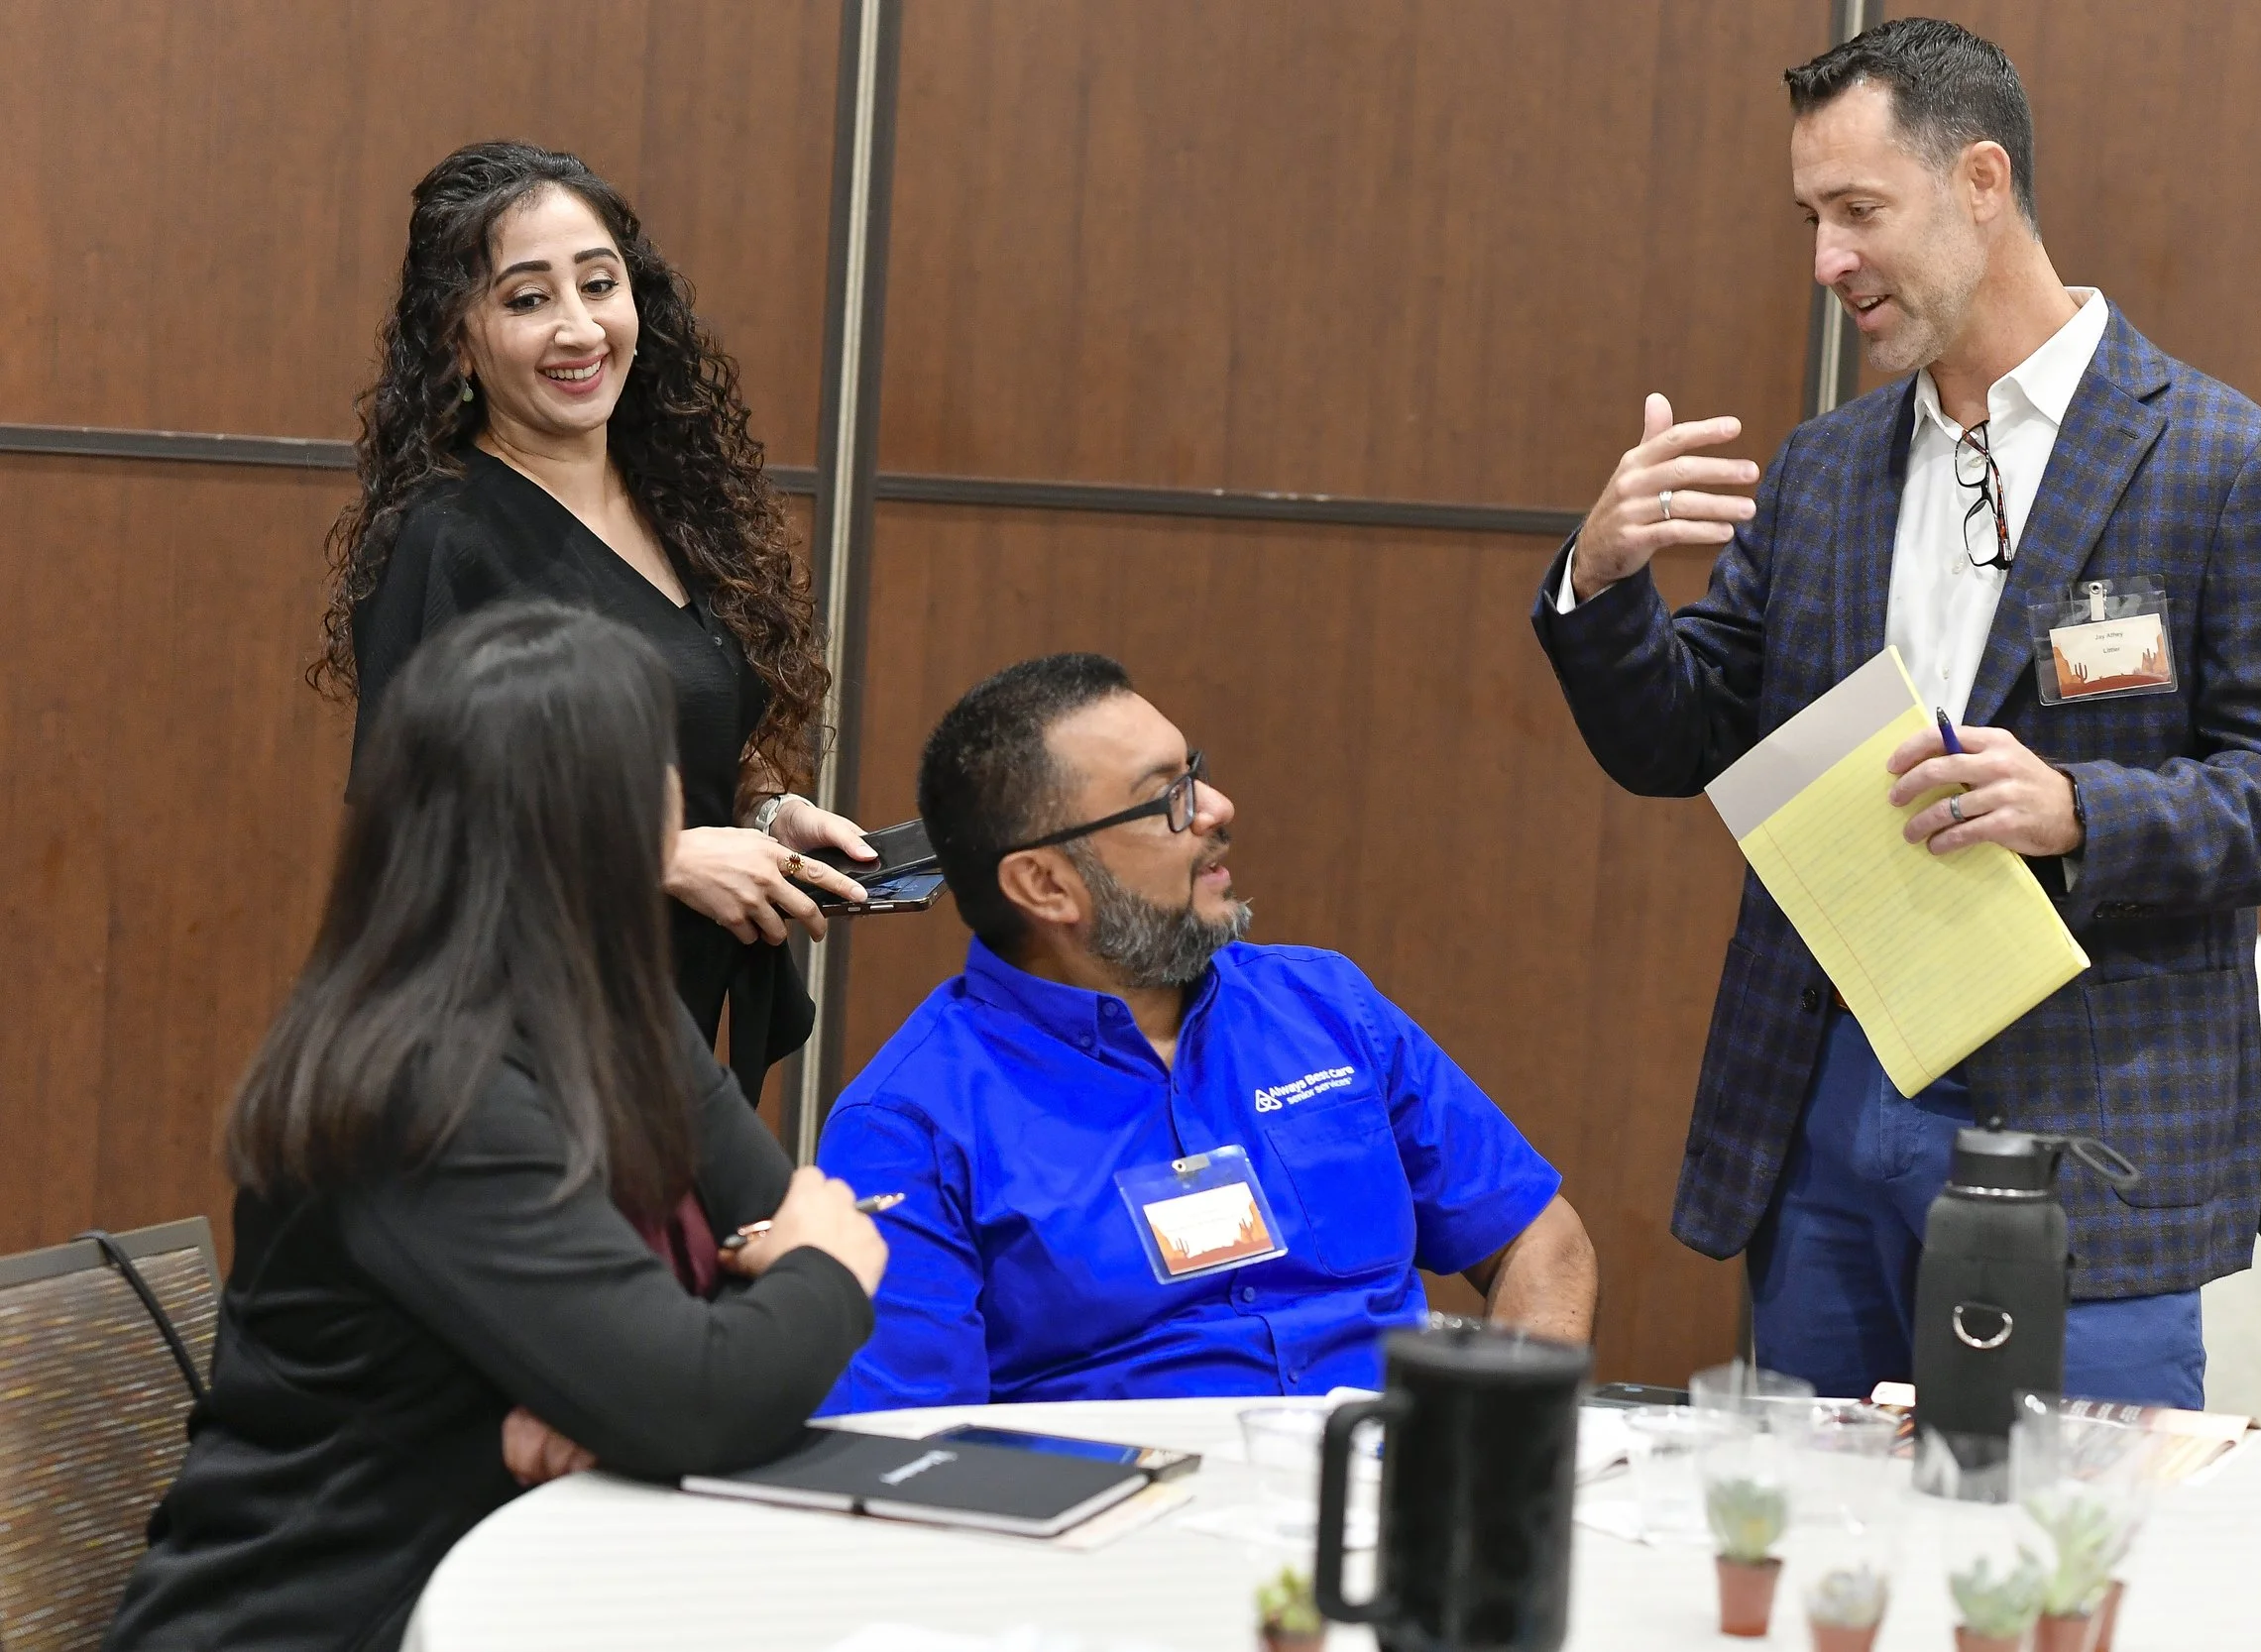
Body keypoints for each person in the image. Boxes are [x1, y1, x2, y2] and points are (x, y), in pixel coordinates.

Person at [1531, 19, 2261, 1407]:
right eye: (1810, 219)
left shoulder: (2225, 464)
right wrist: (1602, 582)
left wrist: (2078, 807)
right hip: (1825, 1115)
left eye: (1858, 211)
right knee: (1817, 1520)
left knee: (2056, 1524)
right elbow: (1682, 738)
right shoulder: (1826, 468)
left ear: (1982, 181)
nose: (1826, 260)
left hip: (2083, 1140)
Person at [106, 605, 888, 1652]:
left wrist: (625, 1398)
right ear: (600, 811)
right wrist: (820, 1268)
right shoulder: (423, 1088)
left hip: (531, 1579)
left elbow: (750, 1241)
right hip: (330, 1616)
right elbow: (712, 1381)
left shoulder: (620, 1008)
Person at [816, 655, 1597, 1409]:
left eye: (1194, 772)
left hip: (1381, 1470)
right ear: (1046, 883)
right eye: (1169, 799)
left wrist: (1497, 1444)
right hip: (1125, 1492)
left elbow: (1540, 1238)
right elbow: (908, 1444)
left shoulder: (1324, 1004)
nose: (1218, 807)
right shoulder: (909, 1125)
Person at [313, 140, 871, 1103]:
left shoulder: (680, 507)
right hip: (510, 1065)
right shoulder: (446, 538)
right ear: (459, 340)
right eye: (528, 299)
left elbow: (679, 726)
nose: (579, 328)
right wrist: (658, 856)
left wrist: (763, 811)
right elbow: (412, 836)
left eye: (600, 284)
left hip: (664, 1042)